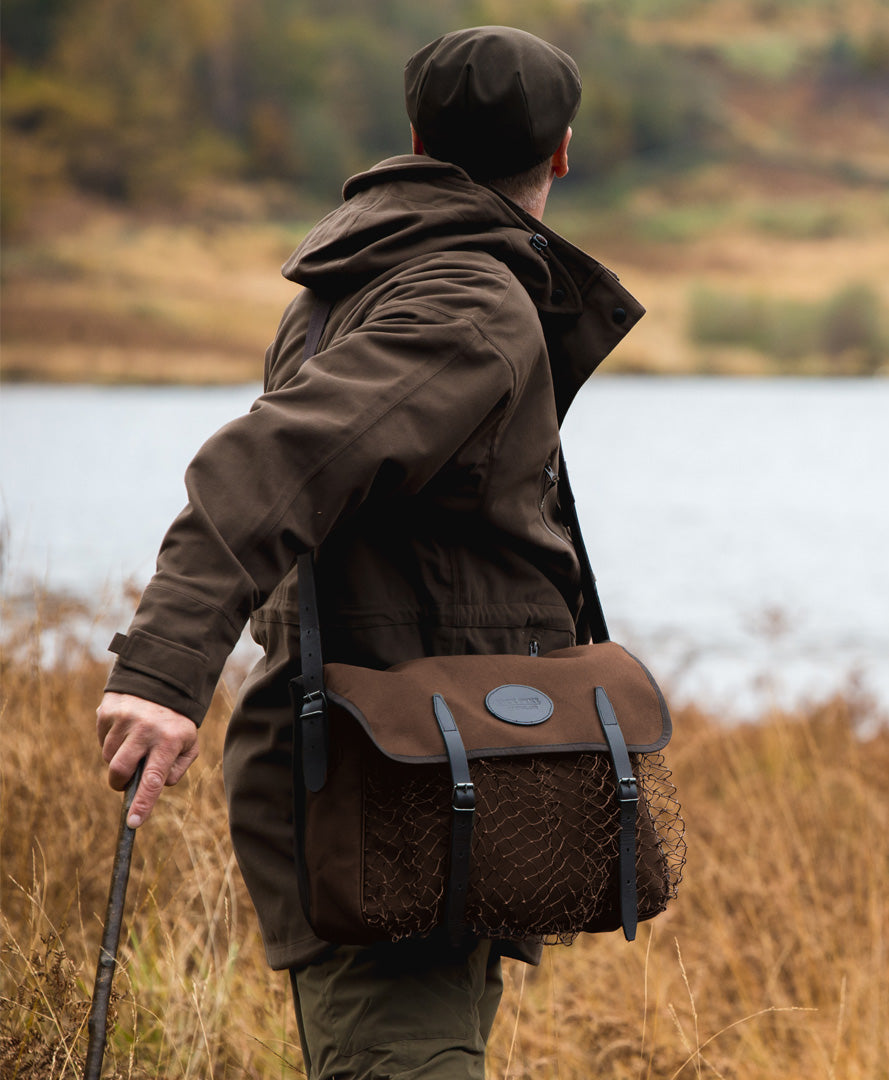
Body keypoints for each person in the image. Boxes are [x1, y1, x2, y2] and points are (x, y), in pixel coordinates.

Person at [96, 25, 643, 1079]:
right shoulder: (469, 304)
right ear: (563, 151)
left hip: (409, 780)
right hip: (394, 796)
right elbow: (272, 461)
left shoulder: (356, 283)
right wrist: (162, 672)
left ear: (418, 140)